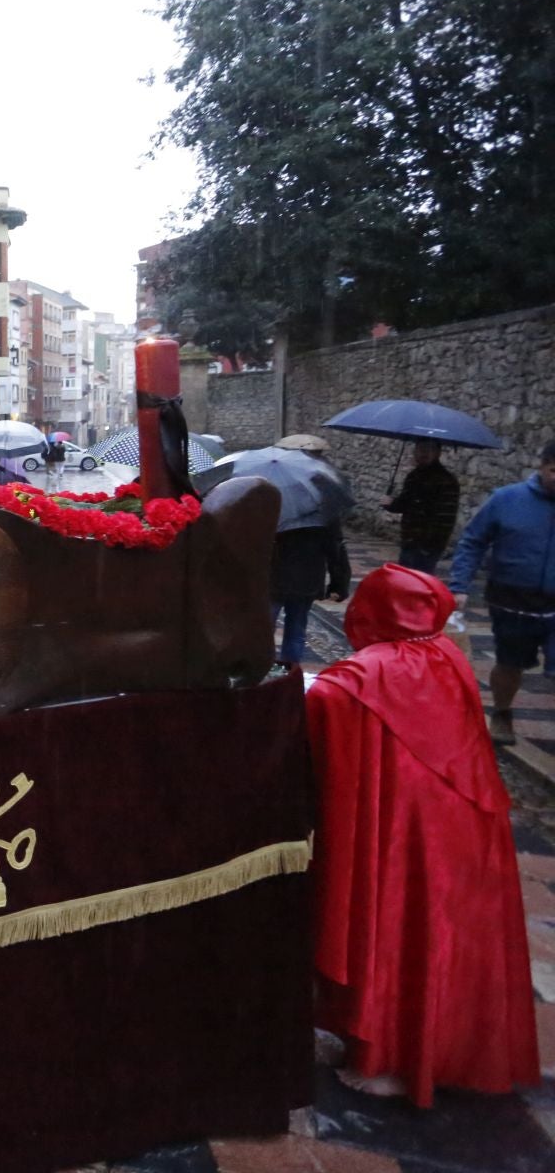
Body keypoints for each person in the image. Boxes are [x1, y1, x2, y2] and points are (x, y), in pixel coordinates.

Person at [306, 564, 537, 1106]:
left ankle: (391, 1061)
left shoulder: (370, 671)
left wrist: (305, 688)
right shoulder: (446, 654)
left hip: (400, 826)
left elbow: (325, 706)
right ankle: (433, 1050)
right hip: (462, 823)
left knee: (393, 929)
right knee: (444, 934)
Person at [448, 440, 555, 746]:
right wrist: (459, 585)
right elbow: (473, 541)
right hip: (512, 600)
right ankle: (502, 711)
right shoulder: (507, 499)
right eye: (554, 471)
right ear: (542, 465)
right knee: (510, 662)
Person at [271, 516, 350, 667]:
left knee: (266, 628)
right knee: (296, 628)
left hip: (275, 577)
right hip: (307, 578)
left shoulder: (276, 509)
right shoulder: (323, 512)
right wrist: (339, 584)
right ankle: (290, 670)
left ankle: (262, 668)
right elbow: (336, 549)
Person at [382, 441, 460, 576]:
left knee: (420, 581)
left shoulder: (446, 480)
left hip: (427, 546)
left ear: (438, 453)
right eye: (421, 449)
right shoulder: (413, 476)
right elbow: (404, 503)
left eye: (429, 449)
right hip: (409, 541)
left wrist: (430, 546)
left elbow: (445, 518)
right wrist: (390, 504)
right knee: (403, 579)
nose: (424, 453)